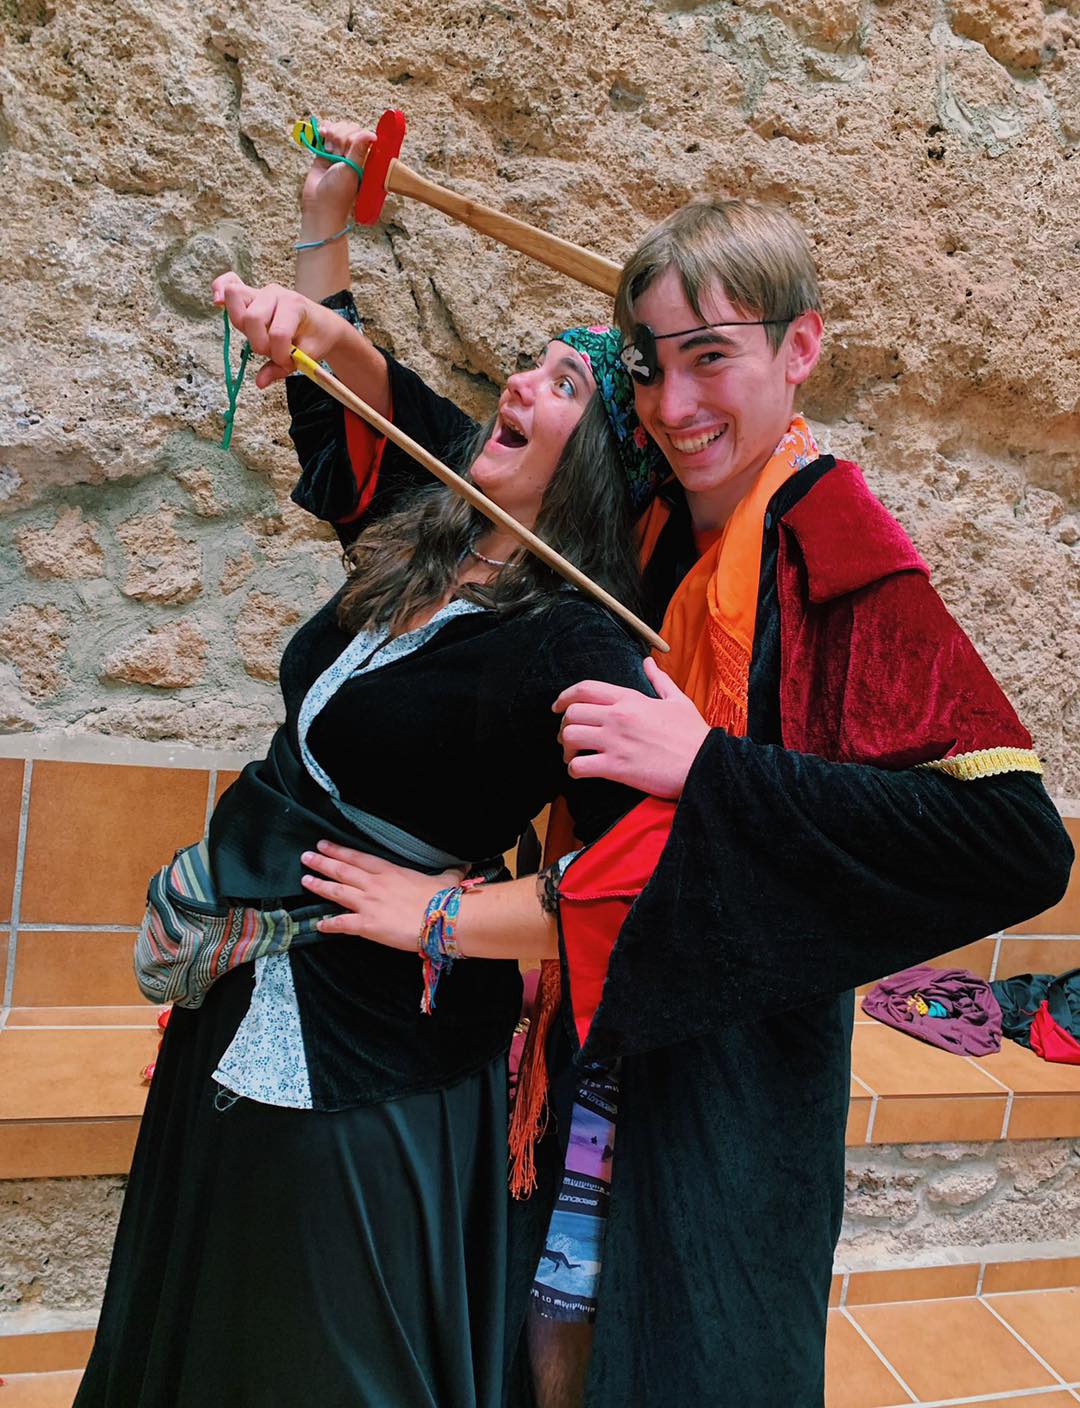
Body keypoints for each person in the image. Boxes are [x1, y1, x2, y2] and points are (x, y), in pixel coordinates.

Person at [298, 193, 1074, 1407]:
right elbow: (461, 458)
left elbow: (1015, 842)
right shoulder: (651, 506)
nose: (674, 405)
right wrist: (321, 262)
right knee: (549, 1345)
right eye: (653, 366)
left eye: (712, 357)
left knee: (692, 1359)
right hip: (588, 1024)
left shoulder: (833, 537)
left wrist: (711, 768)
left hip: (737, 1073)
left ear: (801, 346)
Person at [72, 178, 660, 1403]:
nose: (518, 385)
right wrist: (322, 220)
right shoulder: (440, 518)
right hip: (248, 979)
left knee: (325, 1356)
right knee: (214, 1312)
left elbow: (641, 880)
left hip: (371, 1054)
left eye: (561, 385)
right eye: (530, 365)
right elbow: (348, 388)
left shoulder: (577, 641)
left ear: (602, 461)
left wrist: (441, 915)